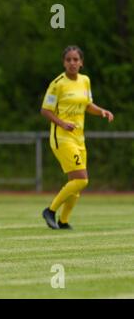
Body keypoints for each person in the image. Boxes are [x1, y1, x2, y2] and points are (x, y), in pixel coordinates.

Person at [40, 45, 114, 230]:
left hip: (79, 138)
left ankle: (63, 221)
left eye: (75, 59)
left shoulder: (85, 80)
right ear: (63, 62)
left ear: (81, 62)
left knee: (76, 183)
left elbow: (87, 105)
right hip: (62, 137)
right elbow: (45, 110)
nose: (72, 63)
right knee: (82, 179)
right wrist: (62, 123)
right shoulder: (58, 84)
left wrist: (102, 111)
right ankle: (50, 211)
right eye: (68, 60)